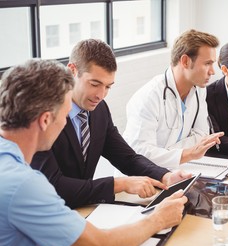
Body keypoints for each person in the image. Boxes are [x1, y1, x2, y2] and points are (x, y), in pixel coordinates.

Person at [0, 59, 188, 246]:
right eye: (64, 116)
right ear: (45, 120)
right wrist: (158, 219)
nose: (66, 121)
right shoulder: (24, 184)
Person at [31, 39, 189, 209]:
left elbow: (126, 157)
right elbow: (53, 185)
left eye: (108, 87)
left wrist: (165, 176)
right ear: (72, 70)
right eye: (94, 84)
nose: (101, 95)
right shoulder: (45, 116)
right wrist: (119, 184)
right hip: (46, 211)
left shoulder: (99, 110)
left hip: (84, 208)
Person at [122, 29, 224, 169]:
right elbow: (141, 153)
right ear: (185, 61)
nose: (212, 71)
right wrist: (188, 153)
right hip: (140, 179)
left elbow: (202, 135)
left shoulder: (199, 90)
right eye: (207, 63)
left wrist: (166, 152)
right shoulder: (148, 97)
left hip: (177, 170)